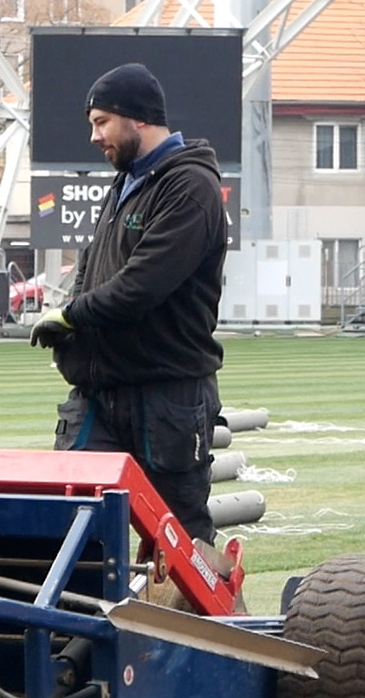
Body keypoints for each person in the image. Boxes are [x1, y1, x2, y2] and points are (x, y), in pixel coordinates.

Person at [29, 63, 227, 543]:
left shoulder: (190, 187)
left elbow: (142, 285)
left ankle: (210, 595)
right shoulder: (126, 181)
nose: (94, 136)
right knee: (70, 523)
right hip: (98, 393)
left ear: (137, 116)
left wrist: (70, 316)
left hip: (167, 396)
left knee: (179, 543)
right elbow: (92, 269)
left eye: (101, 122)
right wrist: (74, 316)